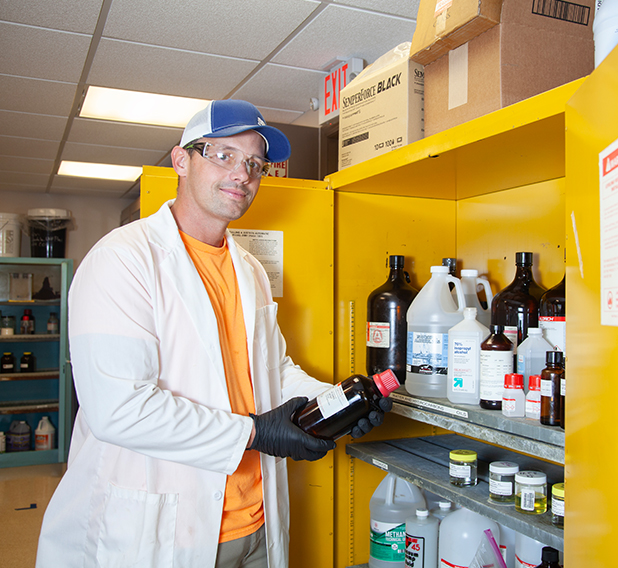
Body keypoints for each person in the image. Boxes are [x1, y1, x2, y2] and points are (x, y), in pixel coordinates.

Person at [36, 100, 391, 568]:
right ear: (181, 160)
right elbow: (119, 410)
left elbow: (270, 371)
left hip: (258, 521)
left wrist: (337, 402)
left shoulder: (249, 269)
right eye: (223, 155)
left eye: (254, 163)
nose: (242, 174)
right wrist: (254, 432)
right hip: (161, 530)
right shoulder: (122, 260)